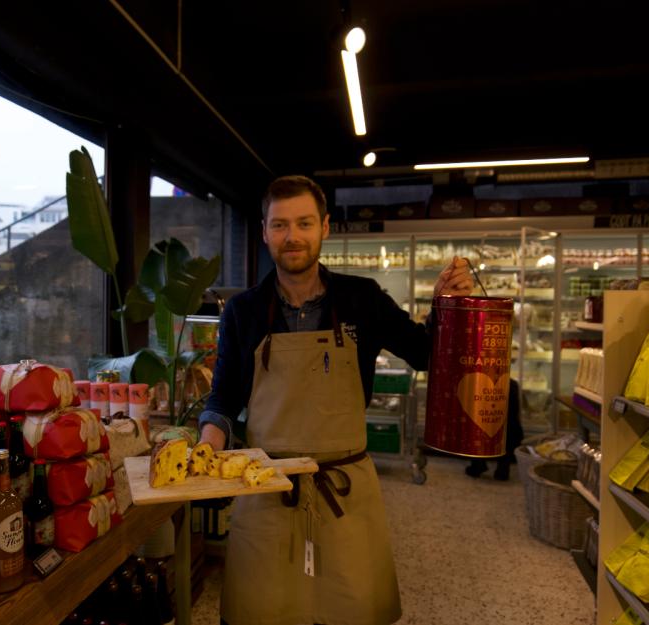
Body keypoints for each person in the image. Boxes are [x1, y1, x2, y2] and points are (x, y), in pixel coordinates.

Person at [198, 175, 474, 625]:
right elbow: (223, 398)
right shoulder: (243, 311)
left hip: (345, 493)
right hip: (267, 489)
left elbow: (424, 353)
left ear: (325, 227)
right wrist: (207, 447)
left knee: (351, 611)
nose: (293, 237)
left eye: (304, 223)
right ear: (265, 230)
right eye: (281, 225)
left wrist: (446, 308)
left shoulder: (362, 298)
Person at [466, 378, 524, 480]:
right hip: (508, 424)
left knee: (479, 435)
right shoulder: (512, 384)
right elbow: (515, 411)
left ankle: (478, 465)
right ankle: (503, 470)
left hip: (486, 419)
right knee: (507, 436)